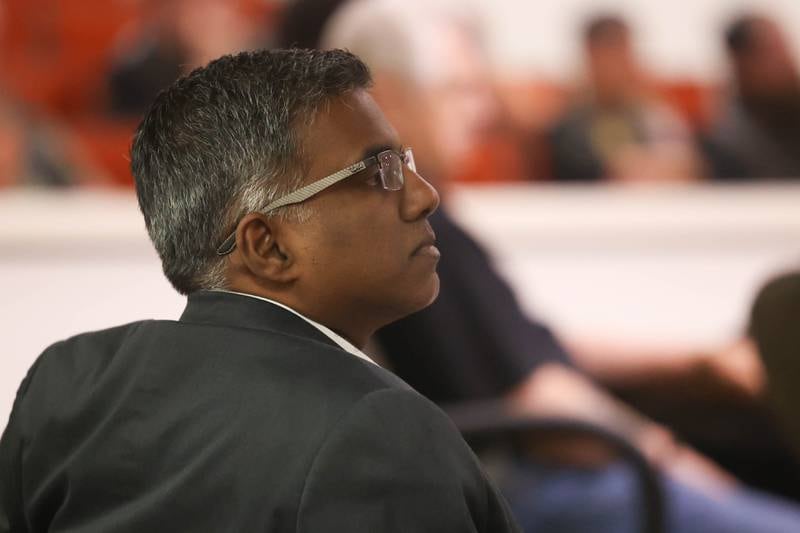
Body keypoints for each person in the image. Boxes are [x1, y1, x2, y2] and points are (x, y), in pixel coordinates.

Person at [322, 1, 800, 531]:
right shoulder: (399, 226)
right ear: (387, 98)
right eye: (461, 89)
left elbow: (525, 348)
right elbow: (542, 404)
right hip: (519, 481)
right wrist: (674, 461)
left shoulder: (412, 217)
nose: (483, 111)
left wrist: (694, 363)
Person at [0, 49, 520, 532]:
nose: (423, 196)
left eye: (404, 163)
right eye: (378, 171)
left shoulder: (69, 384)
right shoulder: (382, 430)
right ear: (267, 246)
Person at [549, 14, 704, 183]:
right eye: (607, 53)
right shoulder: (571, 121)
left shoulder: (651, 111)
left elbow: (687, 161)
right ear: (590, 56)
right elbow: (585, 169)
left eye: (623, 52)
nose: (617, 66)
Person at [706, 14, 800, 180]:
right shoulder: (728, 136)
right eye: (773, 51)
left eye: (785, 48)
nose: (787, 61)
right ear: (740, 62)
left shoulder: (789, 104)